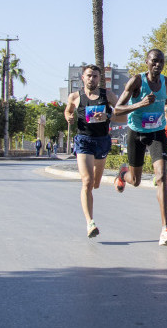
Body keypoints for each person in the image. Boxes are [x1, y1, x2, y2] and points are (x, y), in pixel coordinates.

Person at [113, 49, 167, 246]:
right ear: (147, 63)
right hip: (136, 132)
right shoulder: (136, 82)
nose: (158, 65)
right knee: (136, 180)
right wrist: (140, 104)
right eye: (154, 61)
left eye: (161, 62)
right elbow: (117, 109)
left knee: (161, 177)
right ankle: (124, 174)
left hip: (157, 132)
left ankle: (165, 229)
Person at [64, 64, 120, 238]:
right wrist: (69, 117)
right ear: (83, 78)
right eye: (89, 76)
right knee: (87, 182)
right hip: (83, 140)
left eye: (95, 76)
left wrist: (108, 116)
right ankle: (90, 223)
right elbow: (68, 111)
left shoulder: (108, 96)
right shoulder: (75, 97)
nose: (92, 79)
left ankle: (119, 177)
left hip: (102, 140)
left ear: (99, 78)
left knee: (96, 184)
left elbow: (123, 114)